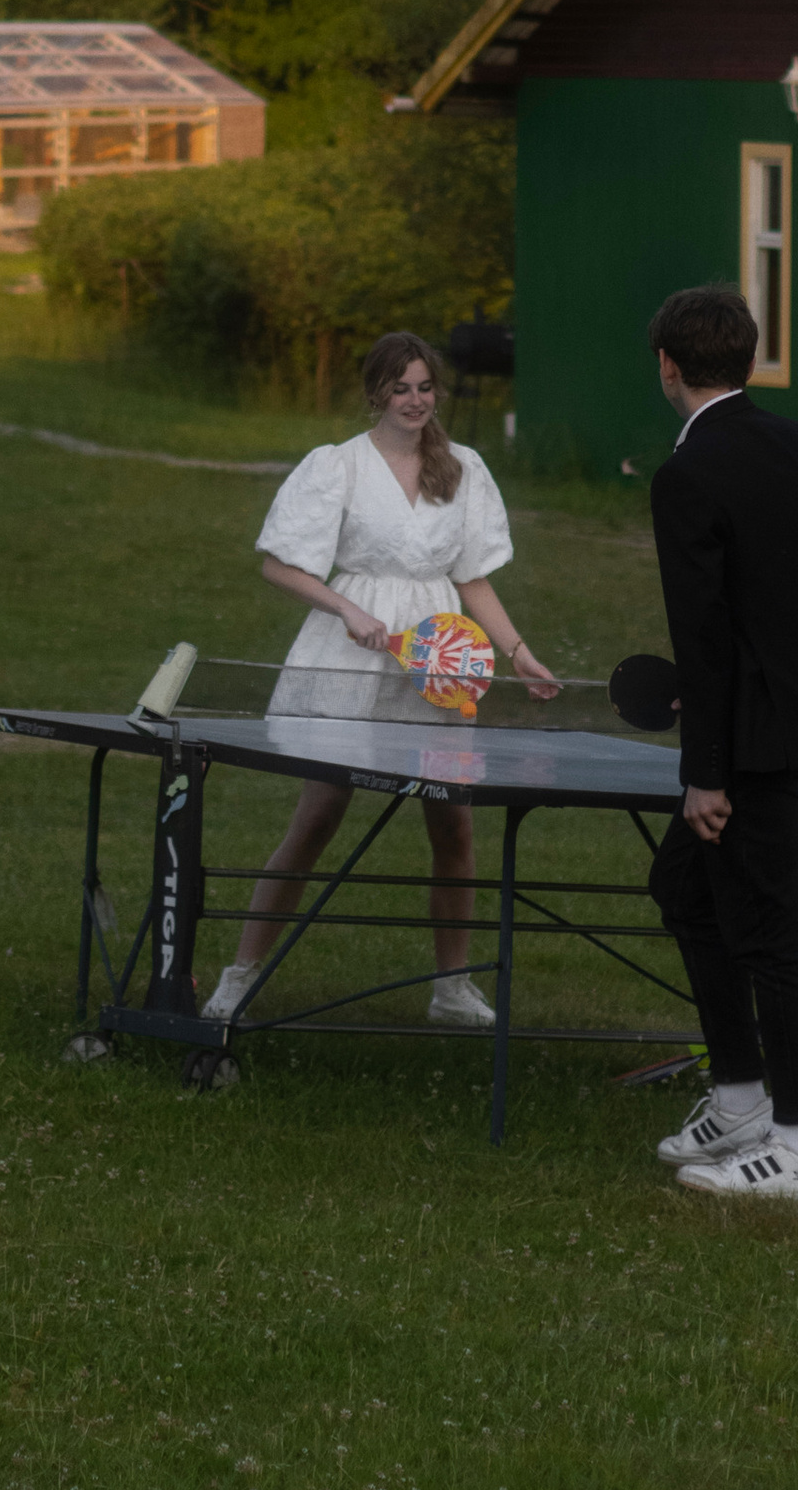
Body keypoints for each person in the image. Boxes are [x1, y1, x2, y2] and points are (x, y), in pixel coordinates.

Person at [200, 332, 558, 1031]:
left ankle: (451, 986)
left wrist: (518, 651)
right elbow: (280, 564)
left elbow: (473, 578)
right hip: (351, 653)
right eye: (402, 388)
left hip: (438, 658)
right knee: (319, 815)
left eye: (426, 387)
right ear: (376, 394)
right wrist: (346, 607)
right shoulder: (335, 467)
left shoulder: (462, 468)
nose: (416, 401)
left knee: (453, 821)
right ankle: (238, 977)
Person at [643, 282, 798, 1210]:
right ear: (746, 356)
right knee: (685, 892)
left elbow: (702, 628)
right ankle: (738, 1099)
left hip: (753, 740)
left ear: (667, 367)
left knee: (771, 930)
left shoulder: (685, 473)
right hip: (795, 716)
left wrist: (706, 773)